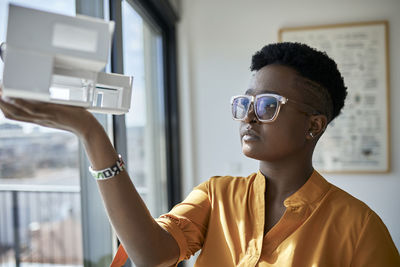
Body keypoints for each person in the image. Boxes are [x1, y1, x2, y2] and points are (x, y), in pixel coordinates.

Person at [0, 42, 399, 267]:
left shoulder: (360, 229)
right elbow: (150, 254)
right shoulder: (217, 196)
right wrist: (91, 132)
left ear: (314, 125)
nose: (248, 118)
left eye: (267, 106)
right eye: (245, 103)